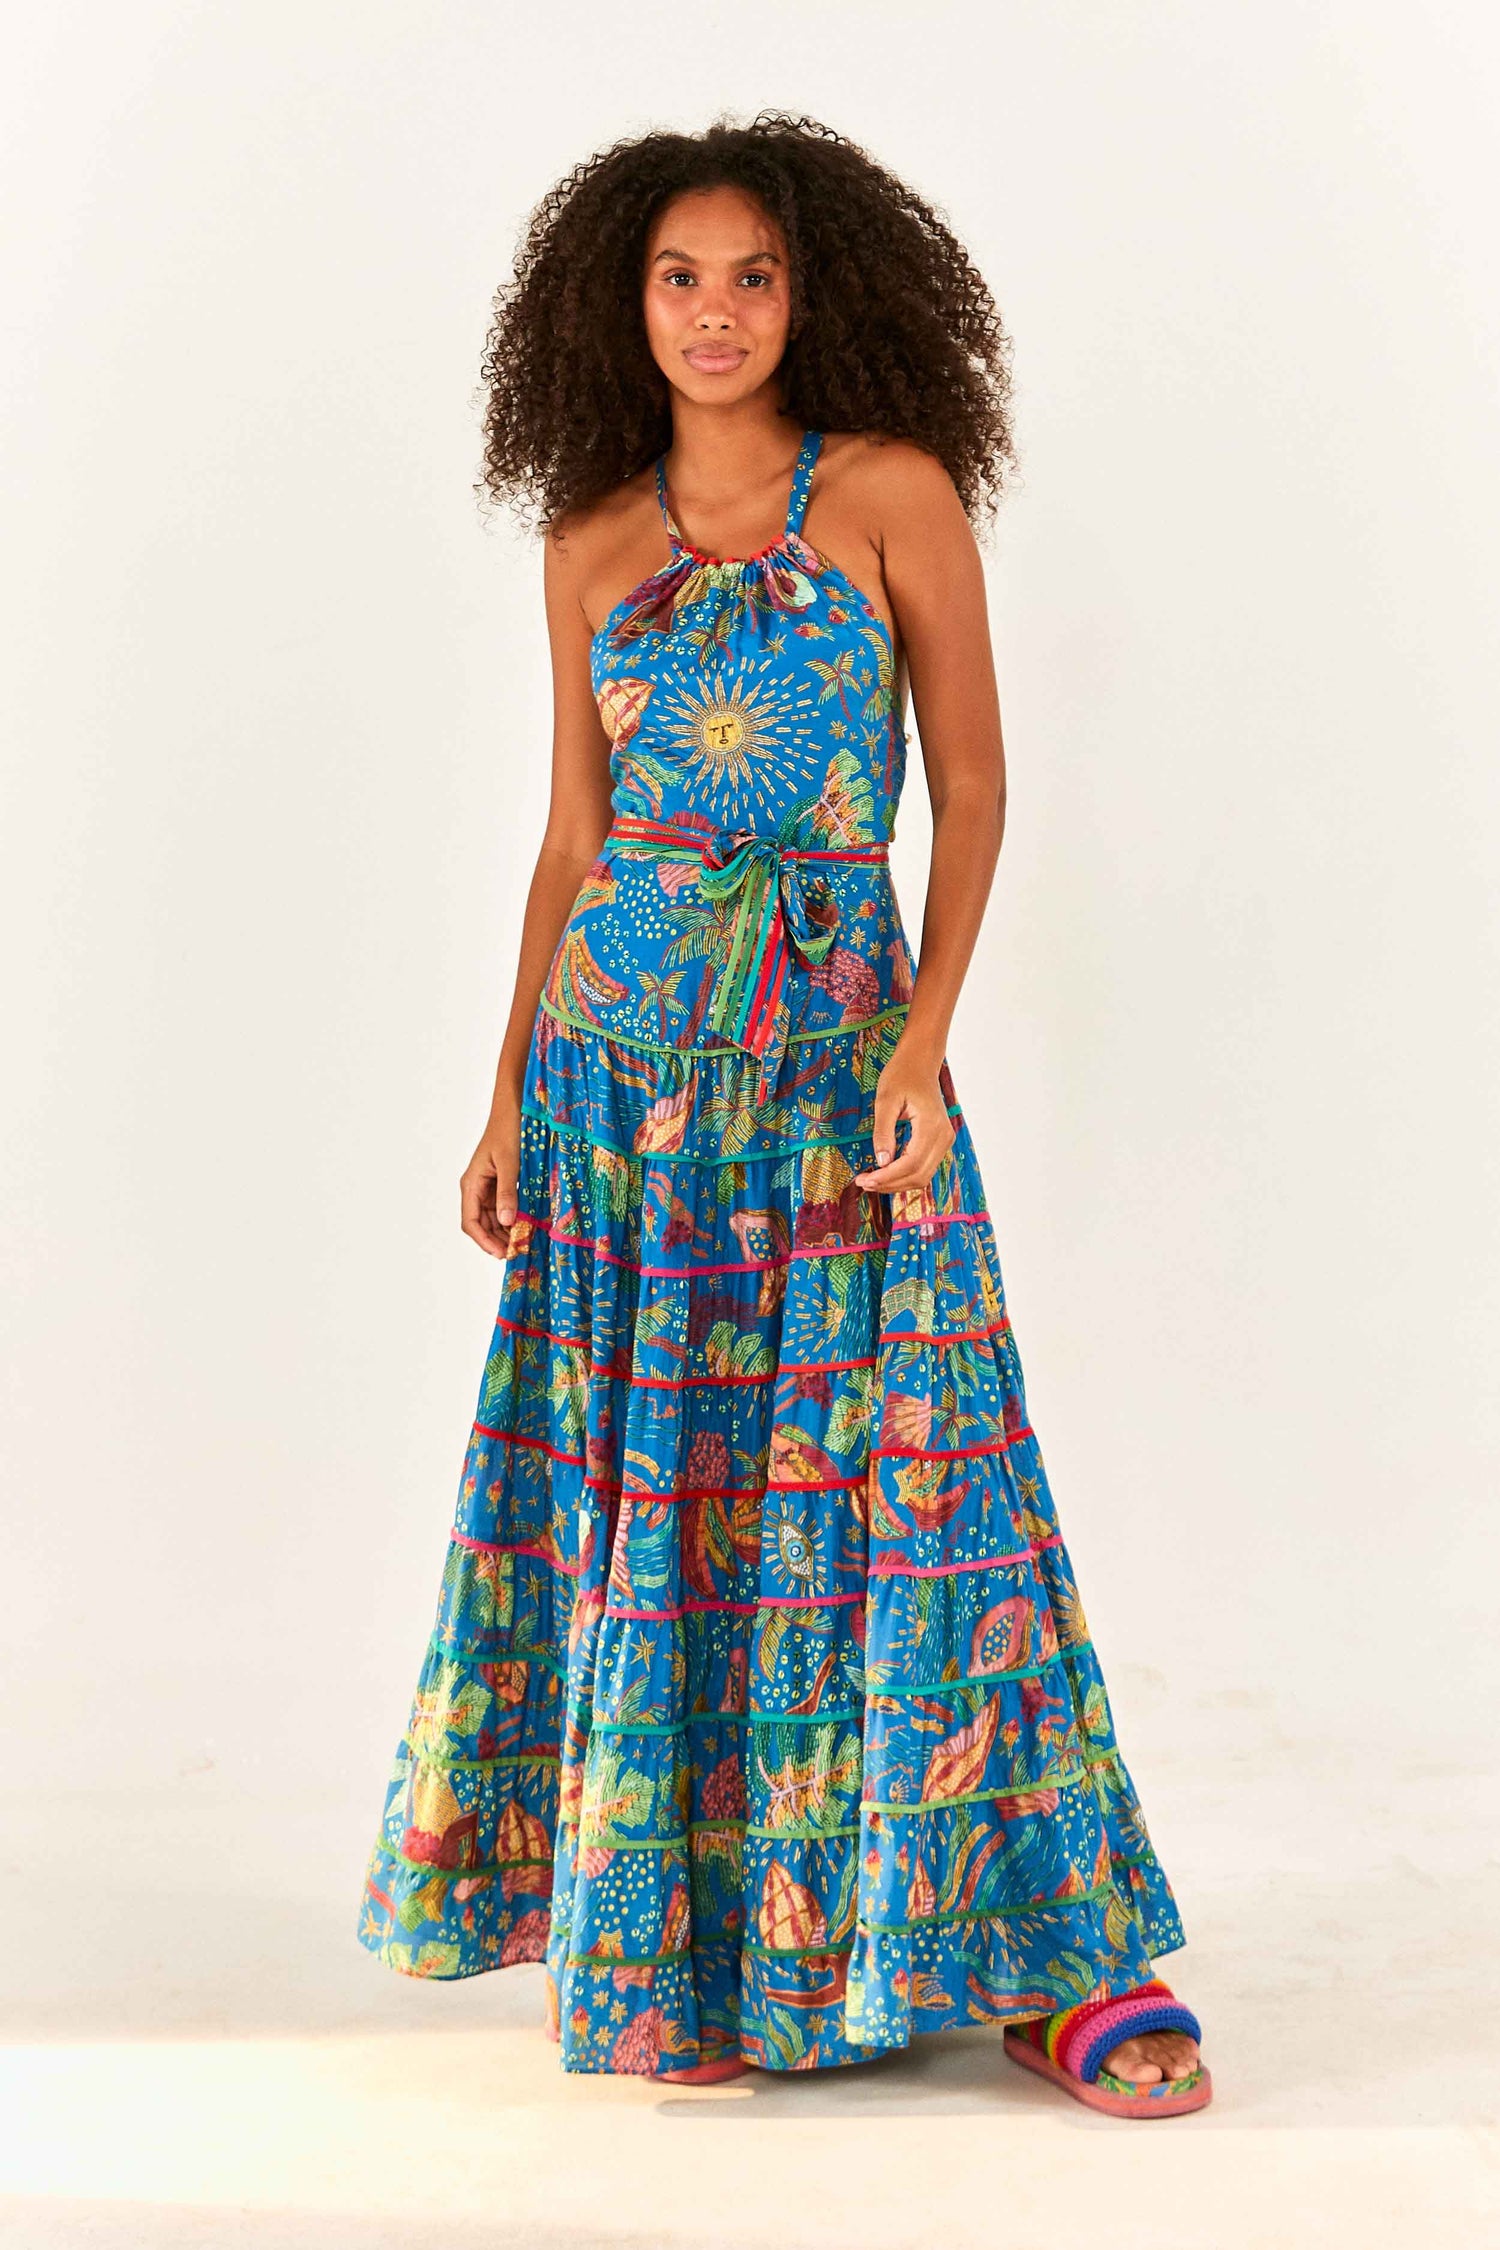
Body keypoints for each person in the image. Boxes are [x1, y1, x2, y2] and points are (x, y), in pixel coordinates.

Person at [357, 113, 1210, 2117]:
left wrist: (919, 1041)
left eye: (753, 275)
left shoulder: (891, 494)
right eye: (680, 278)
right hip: (621, 1094)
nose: (716, 312)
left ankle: (1047, 1952)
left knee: (921, 1476)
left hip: (832, 1064)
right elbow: (574, 840)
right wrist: (505, 1095)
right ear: (622, 305)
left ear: (813, 294)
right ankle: (693, 1949)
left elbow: (973, 785)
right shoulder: (589, 543)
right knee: (668, 1503)